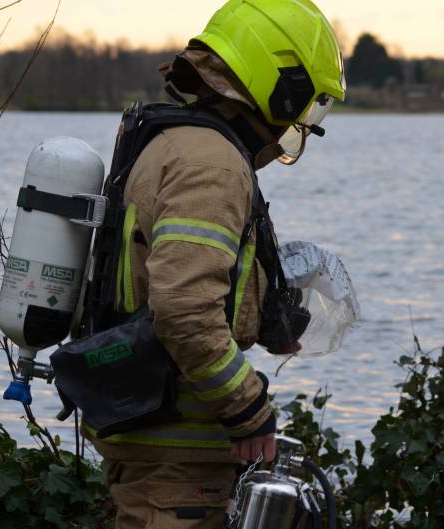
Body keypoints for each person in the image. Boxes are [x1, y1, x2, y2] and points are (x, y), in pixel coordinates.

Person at [83, 1, 346, 527]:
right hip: (175, 460)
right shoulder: (211, 161)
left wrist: (266, 315)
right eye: (308, 104)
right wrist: (250, 409)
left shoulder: (177, 141)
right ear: (282, 83)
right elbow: (182, 309)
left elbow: (183, 281)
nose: (304, 123)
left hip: (156, 441)